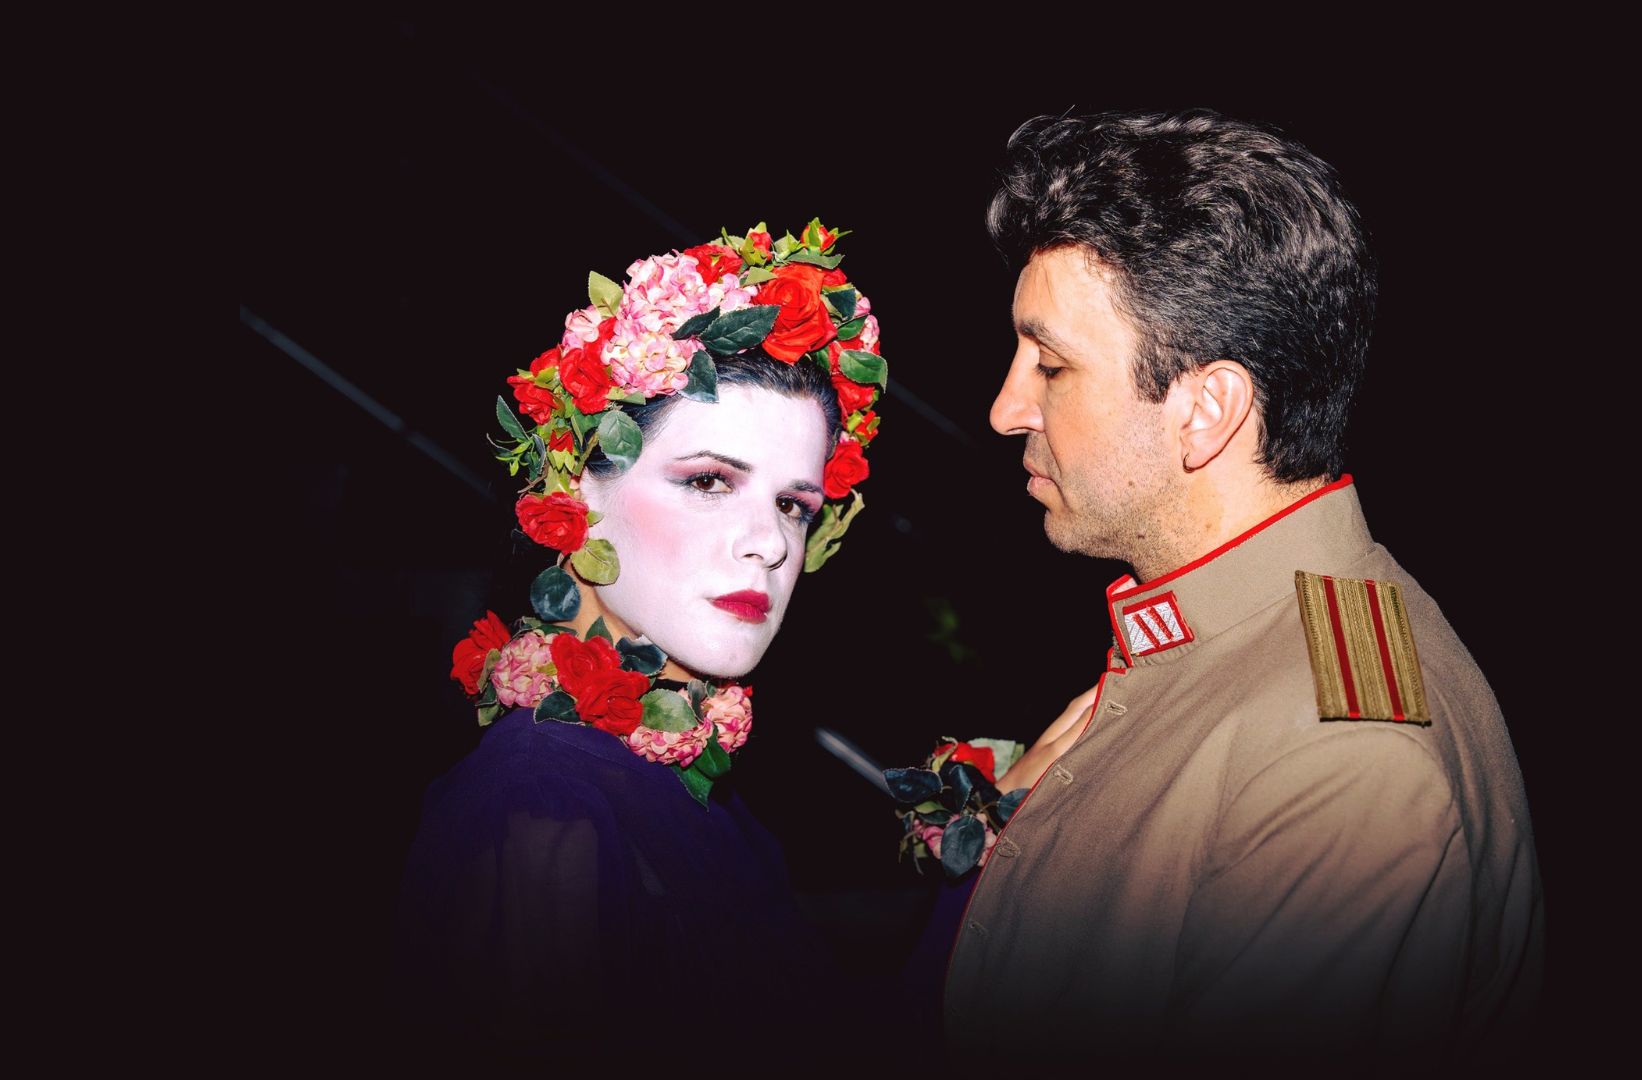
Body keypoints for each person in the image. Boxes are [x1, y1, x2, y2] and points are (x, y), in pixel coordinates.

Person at [941, 111, 1545, 1067]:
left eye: (1052, 365)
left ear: (1206, 409)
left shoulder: (1343, 760)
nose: (1007, 408)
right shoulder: (1244, 627)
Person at [391, 221, 884, 1060]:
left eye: (793, 505)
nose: (769, 543)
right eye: (709, 481)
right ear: (576, 489)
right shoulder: (542, 807)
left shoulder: (681, 783)